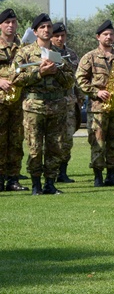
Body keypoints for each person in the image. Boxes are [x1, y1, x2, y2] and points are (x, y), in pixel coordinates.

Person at [12, 14, 77, 195]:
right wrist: (39, 73)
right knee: (34, 147)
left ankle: (50, 183)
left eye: (49, 27)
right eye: (42, 27)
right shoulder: (25, 53)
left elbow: (70, 81)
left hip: (57, 106)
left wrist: (56, 72)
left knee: (55, 147)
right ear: (35, 31)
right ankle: (36, 185)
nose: (47, 30)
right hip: (34, 106)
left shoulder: (59, 54)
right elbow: (15, 78)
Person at [76, 20, 114, 187]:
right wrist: (96, 92)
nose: (109, 37)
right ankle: (98, 177)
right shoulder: (89, 57)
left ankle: (112, 175)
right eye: (105, 34)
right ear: (98, 37)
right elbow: (80, 79)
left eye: (111, 34)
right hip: (97, 108)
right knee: (98, 142)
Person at [50, 21, 81, 184]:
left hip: (70, 102)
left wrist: (79, 99)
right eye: (57, 36)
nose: (60, 39)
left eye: (63, 36)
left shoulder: (72, 54)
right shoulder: (47, 53)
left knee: (67, 138)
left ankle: (63, 171)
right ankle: (50, 171)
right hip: (53, 101)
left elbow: (77, 79)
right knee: (53, 139)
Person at [0, 8, 27, 191]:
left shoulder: (24, 47)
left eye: (13, 22)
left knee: (16, 141)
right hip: (0, 99)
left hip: (18, 100)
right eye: (7, 22)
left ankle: (13, 179)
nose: (11, 26)